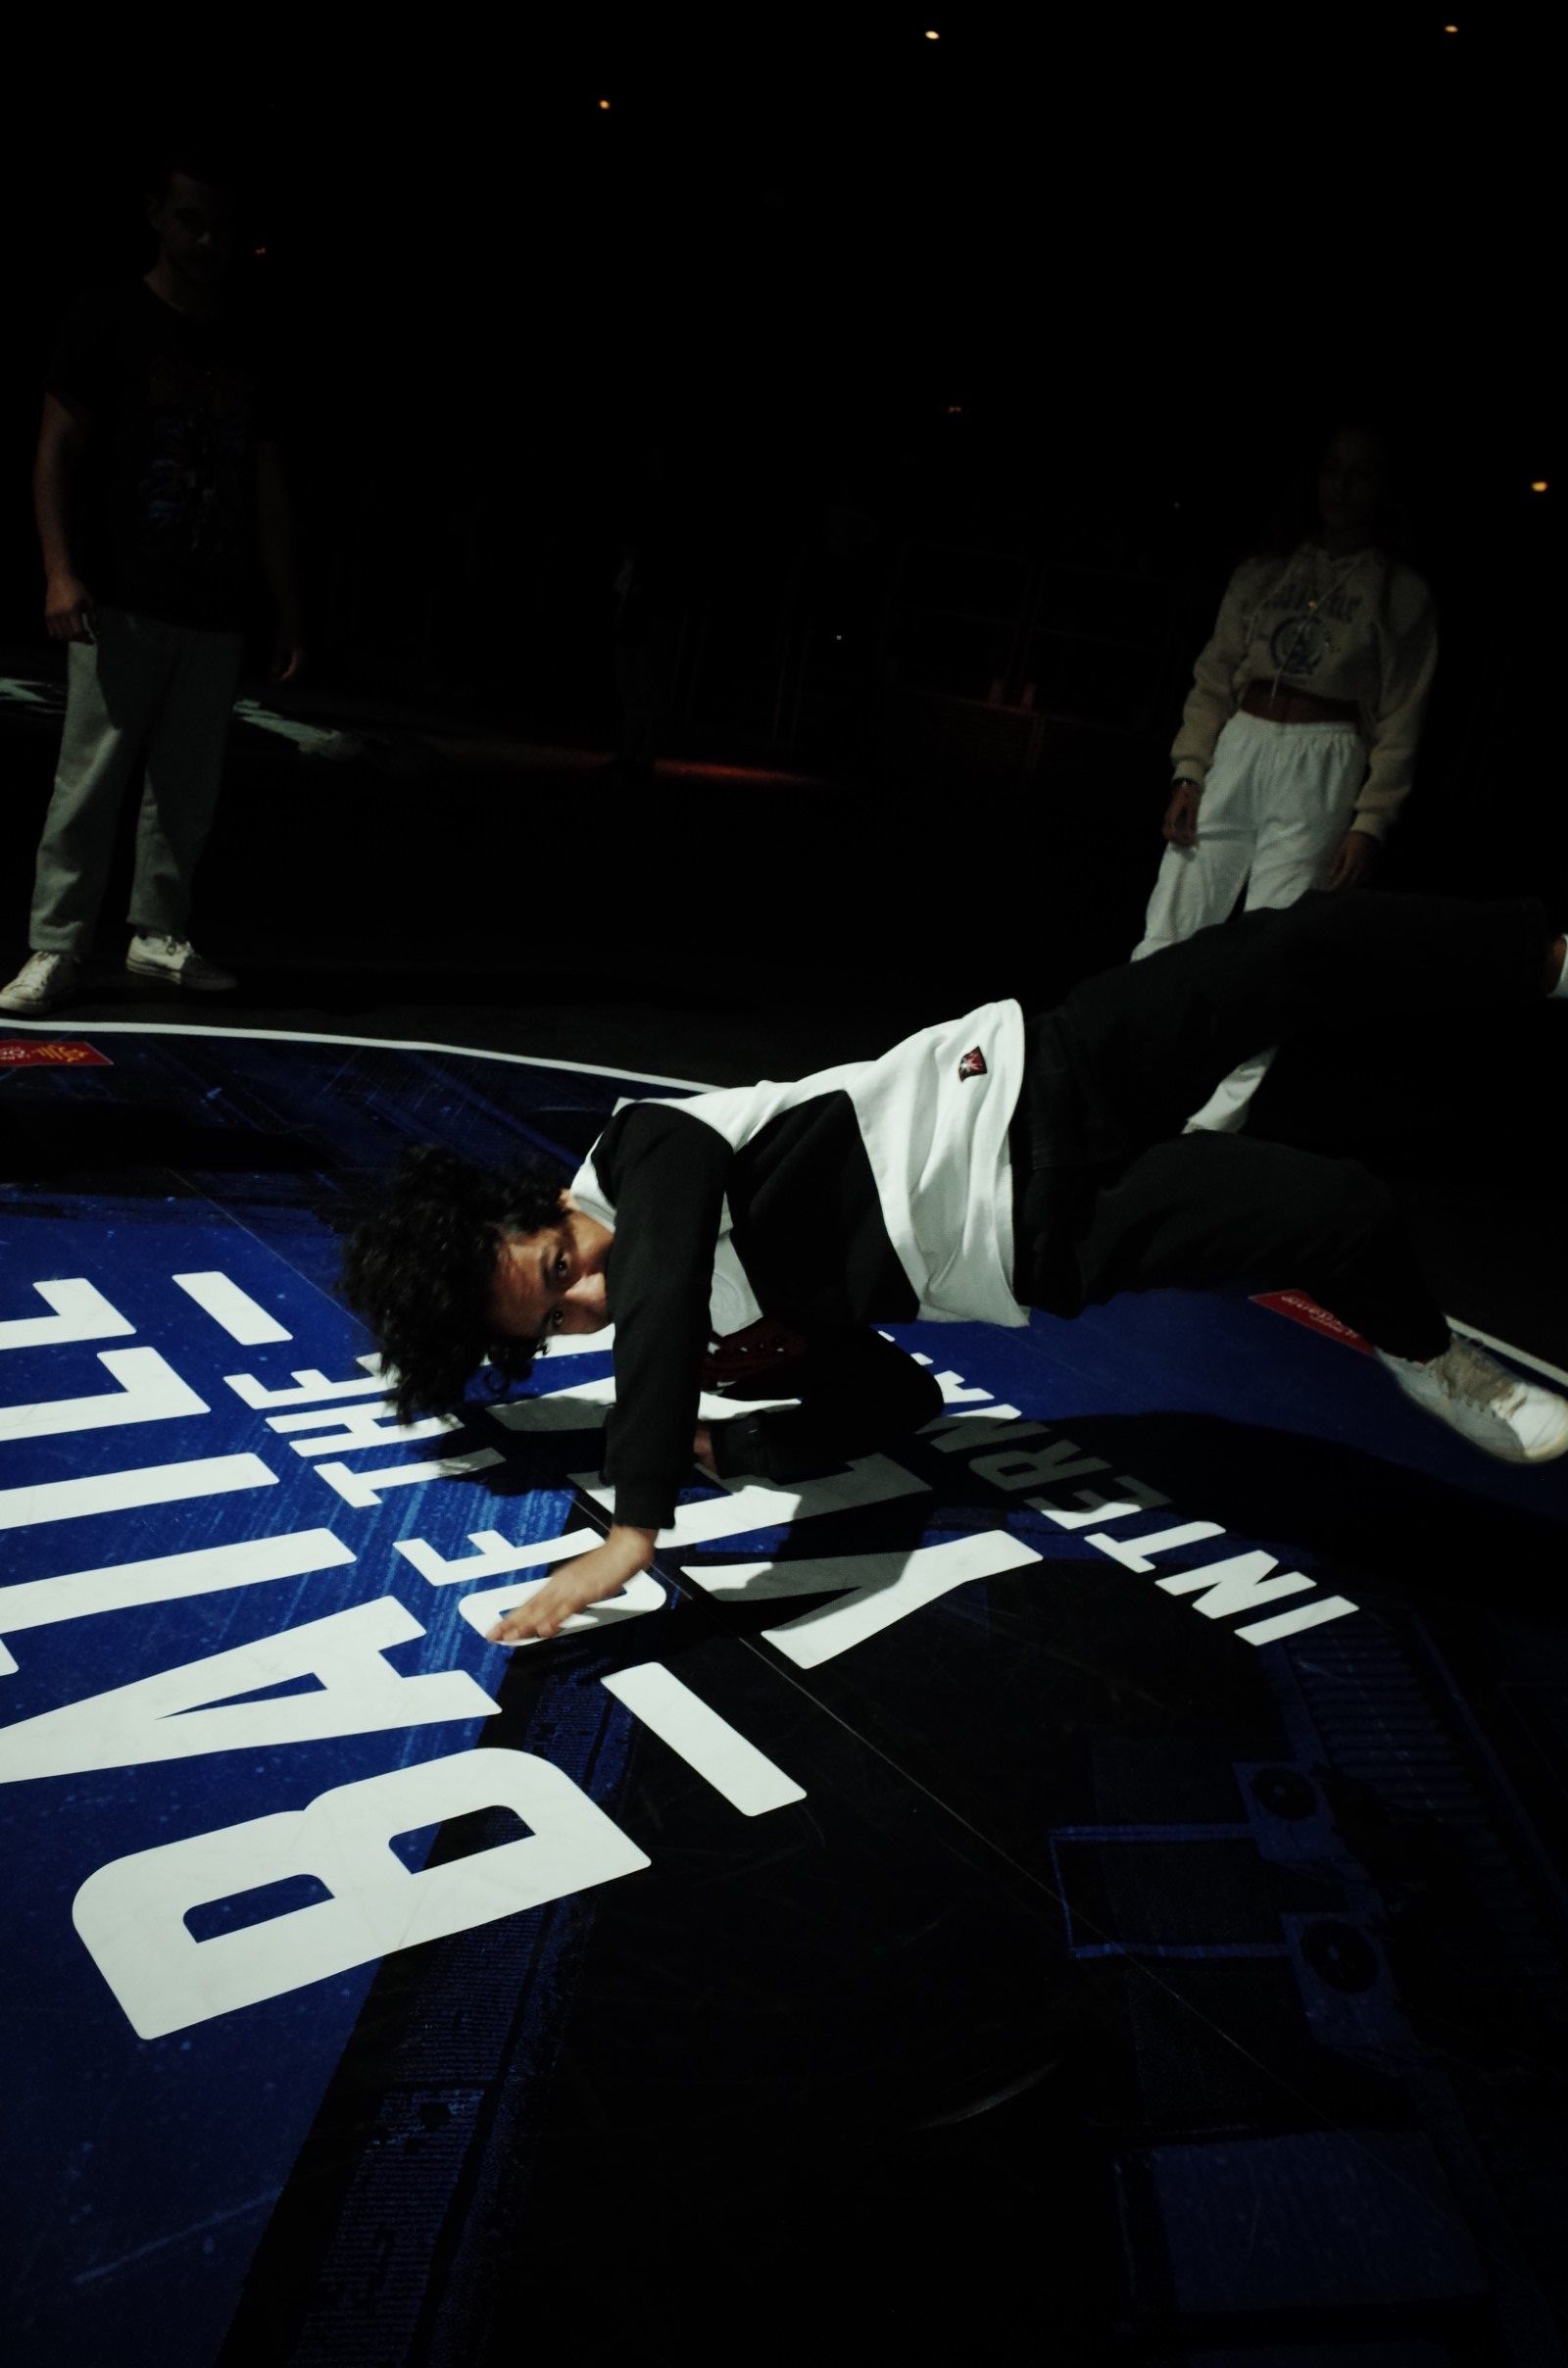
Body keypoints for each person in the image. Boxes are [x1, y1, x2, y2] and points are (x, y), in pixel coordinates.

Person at [340, 886, 1568, 1644]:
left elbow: (655, 1282)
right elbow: (895, 1394)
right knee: (1336, 1212)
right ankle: (1428, 1358)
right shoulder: (708, 1337)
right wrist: (746, 1448)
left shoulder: (645, 1148)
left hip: (1049, 1069)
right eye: (560, 1322)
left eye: (561, 1264)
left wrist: (637, 1519)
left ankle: (1547, 957)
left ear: (550, 1206)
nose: (590, 1299)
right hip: (1041, 1235)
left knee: (1289, 948)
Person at [0, 139, 305, 1018]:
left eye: (221, 227)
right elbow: (55, 447)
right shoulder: (107, 317)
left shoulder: (248, 339)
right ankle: (56, 943)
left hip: (214, 602)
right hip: (119, 593)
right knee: (89, 781)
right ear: (156, 217)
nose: (207, 242)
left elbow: (267, 481)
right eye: (190, 221)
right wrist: (59, 571)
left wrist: (287, 604)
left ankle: (157, 931)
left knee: (187, 786)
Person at [1134, 419, 1438, 1133]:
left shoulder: (1398, 592)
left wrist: (1370, 820)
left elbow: (1403, 716)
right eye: (1331, 470)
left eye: (1359, 474)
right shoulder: (1264, 573)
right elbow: (1214, 676)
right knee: (1173, 917)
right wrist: (1190, 770)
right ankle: (1132, 1074)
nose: (1342, 487)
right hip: (1242, 738)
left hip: (1326, 755)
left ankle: (1208, 1127)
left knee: (1271, 946)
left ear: (1382, 488)